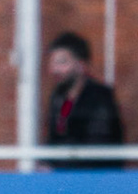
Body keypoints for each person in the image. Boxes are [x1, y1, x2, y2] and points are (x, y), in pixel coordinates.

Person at [46, 31, 125, 168]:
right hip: (64, 175)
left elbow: (98, 145)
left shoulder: (99, 97)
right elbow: (54, 139)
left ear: (81, 66)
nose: (54, 69)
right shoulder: (58, 97)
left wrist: (59, 166)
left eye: (62, 62)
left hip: (94, 176)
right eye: (53, 63)